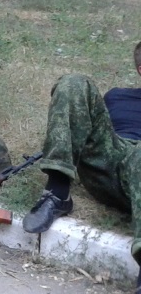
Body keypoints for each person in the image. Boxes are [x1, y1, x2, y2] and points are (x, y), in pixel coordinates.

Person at [23, 42, 141, 292]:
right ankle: (57, 192)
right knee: (74, 82)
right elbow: (85, 128)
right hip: (109, 164)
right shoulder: (117, 96)